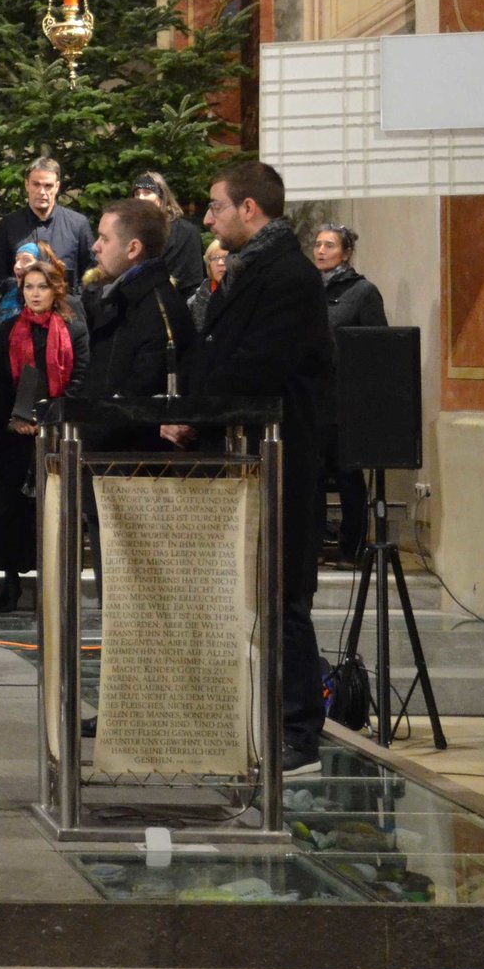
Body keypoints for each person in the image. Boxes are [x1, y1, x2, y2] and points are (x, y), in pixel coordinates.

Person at [168, 161, 336, 774]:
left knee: (285, 595)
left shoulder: (287, 275)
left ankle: (299, 731)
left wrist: (198, 411)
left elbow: (256, 365)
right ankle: (260, 716)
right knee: (259, 592)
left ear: (249, 209)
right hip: (247, 455)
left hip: (283, 457)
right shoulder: (253, 269)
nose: (207, 219)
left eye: (215, 207)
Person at [0, 258, 90, 613]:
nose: (35, 293)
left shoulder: (74, 331)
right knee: (11, 513)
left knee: (52, 512)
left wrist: (50, 420)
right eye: (29, 287)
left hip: (57, 436)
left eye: (42, 286)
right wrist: (16, 418)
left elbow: (81, 378)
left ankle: (51, 590)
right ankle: (9, 586)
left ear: (56, 290)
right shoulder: (6, 329)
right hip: (13, 434)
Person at [77, 199, 196, 442]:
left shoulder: (157, 308)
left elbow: (140, 393)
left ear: (133, 249)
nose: (95, 247)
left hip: (131, 466)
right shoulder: (122, 298)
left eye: (104, 238)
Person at [313, 223, 388, 560]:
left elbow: (377, 346)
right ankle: (311, 547)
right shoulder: (308, 290)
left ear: (346, 253)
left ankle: (351, 547)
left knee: (347, 476)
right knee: (310, 476)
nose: (321, 251)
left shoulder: (362, 292)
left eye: (329, 245)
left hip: (345, 402)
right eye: (317, 244)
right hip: (313, 400)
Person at [0, 158, 94, 289]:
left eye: (48, 186)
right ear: (27, 185)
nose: (42, 192)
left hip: (67, 306)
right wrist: (22, 290)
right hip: (22, 306)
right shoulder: (8, 225)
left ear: (57, 187)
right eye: (36, 184)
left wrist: (74, 301)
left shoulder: (78, 224)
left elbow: (90, 271)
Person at [131, 170, 206, 298]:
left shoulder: (185, 232)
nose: (140, 198)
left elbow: (193, 279)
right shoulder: (130, 230)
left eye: (147, 193)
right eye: (137, 194)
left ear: (162, 198)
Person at [0, 241, 42, 326]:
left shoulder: (55, 305)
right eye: (17, 260)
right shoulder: (7, 297)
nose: (17, 266)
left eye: (26, 260)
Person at [190, 238, 229, 329]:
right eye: (215, 258)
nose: (220, 263)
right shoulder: (194, 302)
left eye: (225, 257)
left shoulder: (248, 293)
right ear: (209, 265)